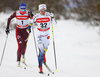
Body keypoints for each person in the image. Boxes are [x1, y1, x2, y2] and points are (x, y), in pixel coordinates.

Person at [29, 4, 57, 73]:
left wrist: (53, 18)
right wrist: (29, 27)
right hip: (39, 35)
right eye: (41, 10)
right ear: (39, 10)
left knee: (45, 48)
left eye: (44, 10)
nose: (43, 11)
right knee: (41, 51)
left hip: (46, 35)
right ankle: (40, 67)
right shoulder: (37, 16)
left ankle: (43, 56)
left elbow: (55, 23)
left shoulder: (48, 15)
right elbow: (31, 21)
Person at [5, 3, 33, 67]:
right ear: (19, 9)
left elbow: (32, 19)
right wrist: (7, 28)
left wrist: (31, 16)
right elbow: (9, 18)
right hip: (19, 30)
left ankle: (23, 54)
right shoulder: (16, 13)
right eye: (21, 10)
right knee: (20, 45)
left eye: (24, 10)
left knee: (24, 45)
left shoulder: (28, 13)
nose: (23, 11)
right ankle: (18, 60)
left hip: (25, 31)